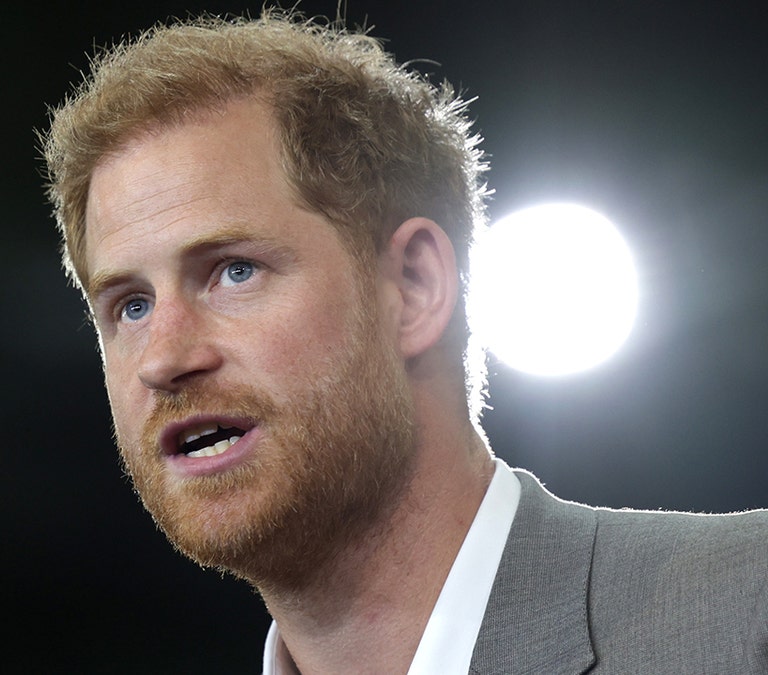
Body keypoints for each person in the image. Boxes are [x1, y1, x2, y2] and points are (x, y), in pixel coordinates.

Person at [41, 10, 768, 674]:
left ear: (414, 287)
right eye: (130, 305)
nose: (165, 357)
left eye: (234, 271)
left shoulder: (745, 610)